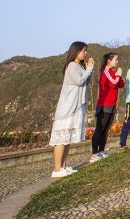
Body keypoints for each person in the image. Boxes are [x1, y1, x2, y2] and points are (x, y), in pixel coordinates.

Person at [49, 41, 94, 178]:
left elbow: (86, 81)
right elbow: (79, 81)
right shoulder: (72, 66)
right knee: (61, 138)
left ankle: (63, 166)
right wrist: (89, 69)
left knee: (67, 137)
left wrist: (89, 69)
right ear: (76, 51)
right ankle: (57, 169)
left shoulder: (78, 66)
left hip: (75, 106)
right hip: (68, 107)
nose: (85, 53)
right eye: (83, 51)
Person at [90, 52, 124, 163]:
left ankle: (101, 151)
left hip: (112, 105)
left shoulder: (113, 72)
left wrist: (119, 75)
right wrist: (118, 75)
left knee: (106, 130)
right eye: (116, 59)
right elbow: (114, 83)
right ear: (109, 61)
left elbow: (121, 84)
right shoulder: (106, 71)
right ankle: (94, 153)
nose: (117, 61)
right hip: (104, 105)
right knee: (99, 129)